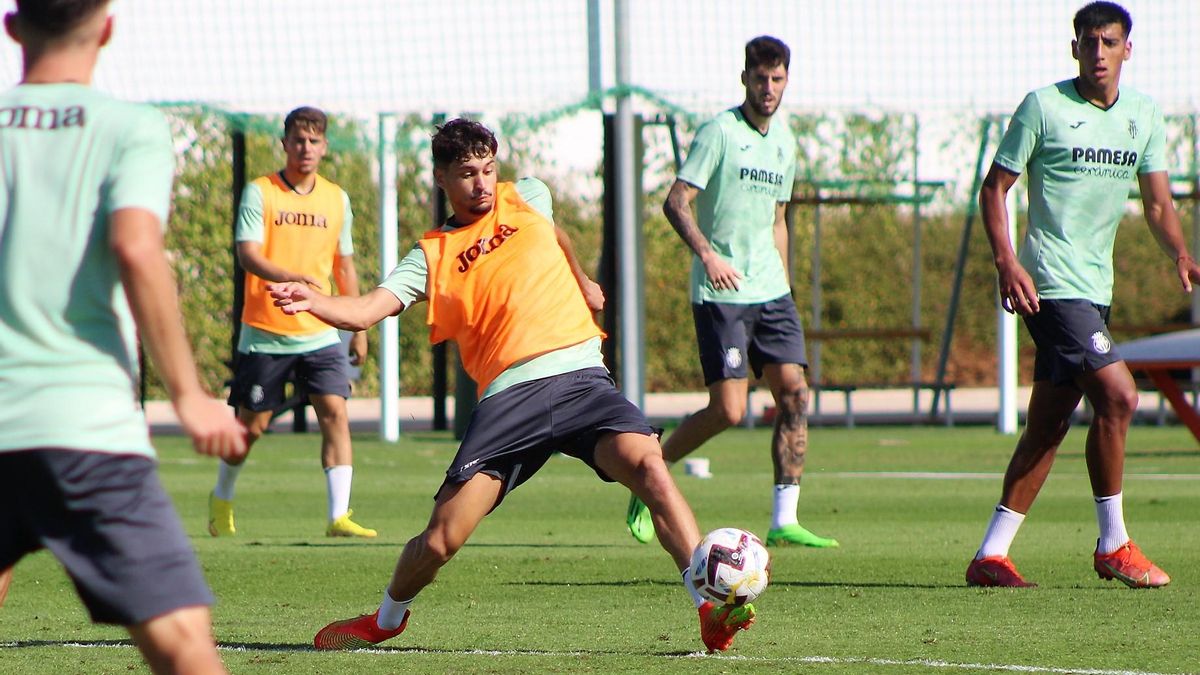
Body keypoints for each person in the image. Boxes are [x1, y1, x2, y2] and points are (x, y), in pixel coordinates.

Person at [270, 119, 755, 652]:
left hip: (581, 379)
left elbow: (555, 234)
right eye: (466, 174)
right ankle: (385, 619)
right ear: (441, 179)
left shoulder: (529, 197)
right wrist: (315, 302)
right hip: (510, 400)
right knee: (440, 540)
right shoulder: (431, 254)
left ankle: (707, 607)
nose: (481, 183)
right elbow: (365, 310)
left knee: (649, 467)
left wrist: (581, 281)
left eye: (487, 169)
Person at [0, 1, 248, 673]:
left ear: (13, 26)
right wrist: (191, 394)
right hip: (84, 429)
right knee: (184, 648)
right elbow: (137, 248)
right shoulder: (128, 129)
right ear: (106, 28)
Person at [967, 1, 1198, 589]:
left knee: (1047, 427)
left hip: (1095, 289)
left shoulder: (1144, 115)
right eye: (1089, 42)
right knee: (1119, 397)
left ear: (1128, 49)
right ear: (1074, 48)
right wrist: (1006, 262)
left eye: (1110, 42)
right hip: (1049, 282)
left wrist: (1179, 251)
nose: (1099, 52)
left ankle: (990, 556)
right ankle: (1114, 543)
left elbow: (1157, 203)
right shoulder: (1042, 106)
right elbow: (994, 190)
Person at [625, 36, 838, 549]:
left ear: (787, 80)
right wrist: (707, 254)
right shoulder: (719, 132)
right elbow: (676, 202)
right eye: (760, 78)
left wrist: (783, 284)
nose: (768, 88)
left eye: (778, 79)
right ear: (744, 78)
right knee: (729, 411)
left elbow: (779, 219)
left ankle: (784, 516)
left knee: (795, 394)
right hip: (722, 294)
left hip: (771, 293)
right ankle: (649, 473)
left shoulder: (785, 142)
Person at [208, 106, 376, 539]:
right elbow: (248, 254)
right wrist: (290, 278)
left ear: (324, 147)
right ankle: (222, 497)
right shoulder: (261, 192)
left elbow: (345, 266)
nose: (305, 148)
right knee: (252, 425)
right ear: (284, 144)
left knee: (335, 412)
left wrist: (358, 327)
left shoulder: (336, 198)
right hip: (266, 332)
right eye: (298, 140)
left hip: (319, 330)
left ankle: (339, 515)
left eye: (314, 141)